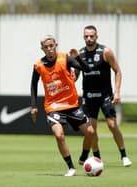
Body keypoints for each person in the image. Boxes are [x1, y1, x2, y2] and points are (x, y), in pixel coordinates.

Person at [30, 35, 94, 176]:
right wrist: (33, 105)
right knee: (59, 135)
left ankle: (84, 156)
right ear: (42, 49)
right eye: (46, 47)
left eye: (51, 46)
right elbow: (33, 84)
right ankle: (71, 168)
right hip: (53, 106)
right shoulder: (38, 65)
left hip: (72, 104)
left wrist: (77, 58)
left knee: (91, 133)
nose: (49, 49)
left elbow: (87, 70)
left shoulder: (65, 58)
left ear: (56, 45)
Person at [75, 25, 132, 167]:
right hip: (88, 97)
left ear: (96, 36)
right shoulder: (80, 54)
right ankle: (97, 158)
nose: (89, 39)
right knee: (91, 130)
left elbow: (117, 71)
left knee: (112, 124)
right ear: (83, 37)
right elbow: (75, 76)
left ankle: (124, 155)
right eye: (86, 36)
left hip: (105, 96)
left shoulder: (105, 52)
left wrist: (117, 92)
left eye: (91, 36)